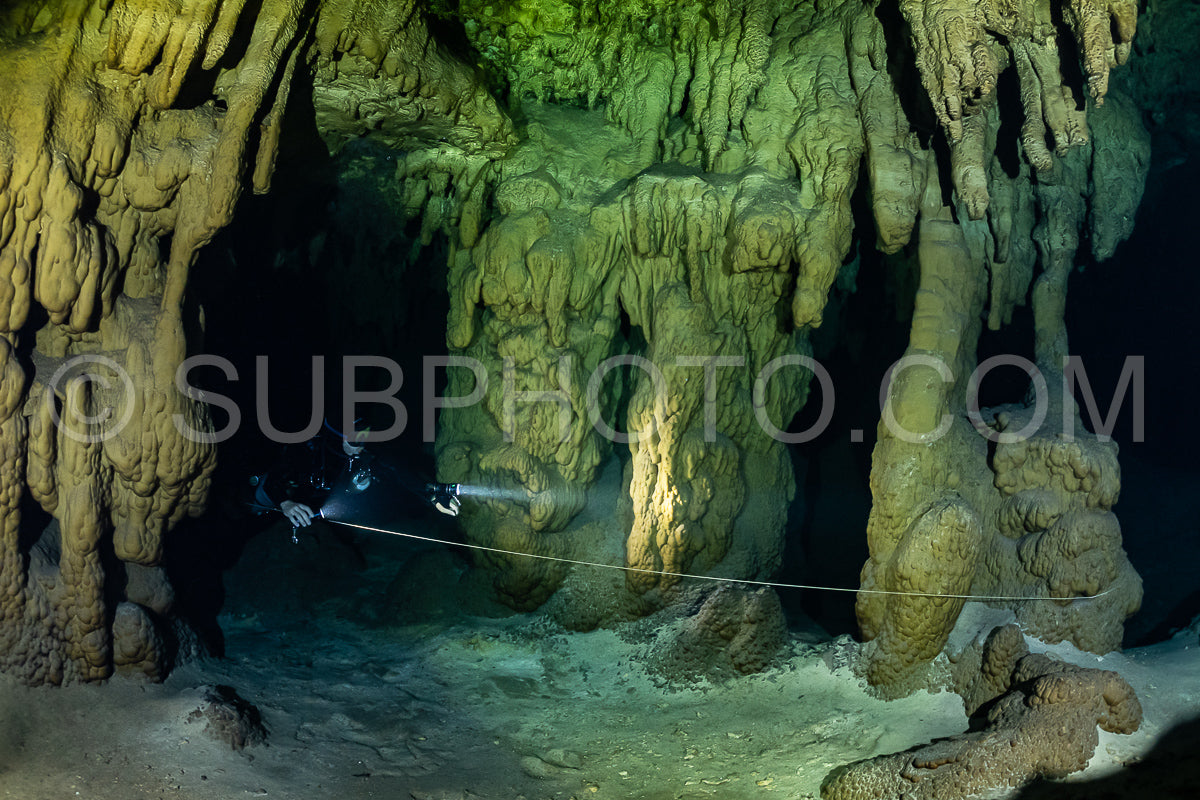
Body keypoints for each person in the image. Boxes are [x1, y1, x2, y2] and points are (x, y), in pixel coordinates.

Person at [254, 419, 460, 529]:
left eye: (364, 439)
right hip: (288, 500)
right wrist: (286, 503)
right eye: (354, 441)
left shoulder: (366, 451)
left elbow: (399, 471)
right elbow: (271, 481)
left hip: (324, 514)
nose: (360, 448)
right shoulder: (310, 451)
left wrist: (432, 495)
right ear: (340, 437)